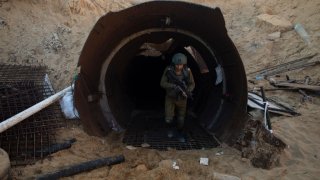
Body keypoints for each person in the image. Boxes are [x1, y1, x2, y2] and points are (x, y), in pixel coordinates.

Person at [160, 53, 195, 140]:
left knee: (181, 119)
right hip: (170, 97)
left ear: (184, 64)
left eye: (181, 65)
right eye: (177, 64)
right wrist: (173, 86)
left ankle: (179, 133)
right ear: (173, 63)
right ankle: (170, 132)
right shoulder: (168, 70)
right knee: (168, 119)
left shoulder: (187, 71)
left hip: (182, 99)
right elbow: (162, 83)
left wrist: (187, 91)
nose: (179, 67)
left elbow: (192, 84)